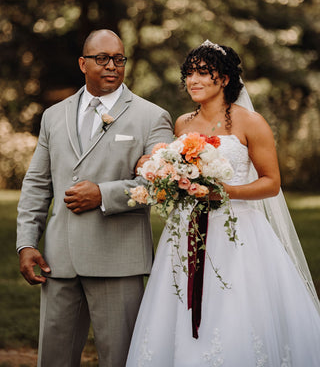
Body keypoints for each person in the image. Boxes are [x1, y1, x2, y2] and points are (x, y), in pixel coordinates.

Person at [126, 40, 320, 366]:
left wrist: (225, 192)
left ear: (225, 79)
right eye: (189, 73)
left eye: (204, 73)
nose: (194, 81)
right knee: (178, 304)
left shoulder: (250, 123)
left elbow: (271, 183)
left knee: (234, 307)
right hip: (186, 230)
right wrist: (165, 176)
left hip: (238, 232)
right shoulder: (182, 124)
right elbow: (181, 173)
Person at [16, 29, 173, 367]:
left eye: (119, 59)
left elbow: (162, 185)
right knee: (53, 359)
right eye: (101, 59)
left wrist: (104, 193)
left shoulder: (152, 117)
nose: (111, 66)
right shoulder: (53, 116)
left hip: (118, 260)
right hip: (59, 260)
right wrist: (26, 243)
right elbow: (38, 184)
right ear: (82, 63)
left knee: (120, 359)